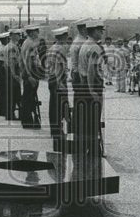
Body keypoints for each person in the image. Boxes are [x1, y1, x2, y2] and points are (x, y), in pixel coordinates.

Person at [78, 21, 106, 156]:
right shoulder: (94, 47)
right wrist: (92, 90)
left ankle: (88, 147)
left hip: (85, 84)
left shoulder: (85, 45)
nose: (101, 32)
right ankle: (94, 149)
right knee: (94, 119)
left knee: (88, 118)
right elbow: (91, 70)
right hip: (93, 85)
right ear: (93, 31)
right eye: (100, 30)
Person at [45, 27, 72, 142]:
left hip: (51, 80)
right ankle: (58, 131)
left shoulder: (51, 48)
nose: (67, 38)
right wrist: (61, 83)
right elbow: (59, 68)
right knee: (60, 107)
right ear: (63, 37)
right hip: (58, 80)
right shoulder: (60, 49)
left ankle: (54, 130)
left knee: (53, 106)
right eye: (66, 36)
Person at [19, 25, 43, 129]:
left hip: (30, 73)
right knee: (28, 97)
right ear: (32, 32)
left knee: (29, 97)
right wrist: (29, 76)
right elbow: (27, 61)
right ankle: (27, 121)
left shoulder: (27, 42)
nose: (38, 32)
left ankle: (28, 120)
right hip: (30, 73)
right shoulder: (29, 44)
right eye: (36, 31)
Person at [0, 32, 11, 118]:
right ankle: (3, 109)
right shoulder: (3, 48)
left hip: (2, 68)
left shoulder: (1, 47)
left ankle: (2, 109)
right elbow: (1, 61)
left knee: (3, 90)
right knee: (4, 91)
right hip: (3, 68)